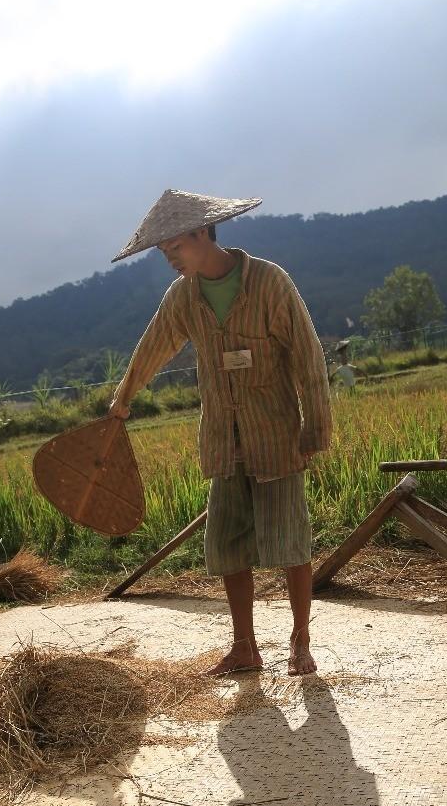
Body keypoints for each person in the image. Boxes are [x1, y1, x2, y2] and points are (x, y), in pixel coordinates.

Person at [108, 188, 331, 677]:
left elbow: (307, 357)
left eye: (175, 248)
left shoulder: (269, 282)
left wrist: (314, 429)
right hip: (223, 439)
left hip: (275, 435)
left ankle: (300, 641)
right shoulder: (183, 297)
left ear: (203, 233)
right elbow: (155, 345)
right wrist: (125, 396)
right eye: (164, 253)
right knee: (228, 543)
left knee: (290, 540)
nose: (170, 259)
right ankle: (245, 646)